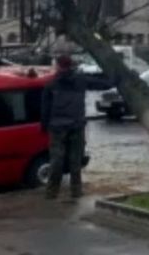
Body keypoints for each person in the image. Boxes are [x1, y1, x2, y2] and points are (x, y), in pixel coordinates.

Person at [41, 54, 112, 200]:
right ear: (71, 65)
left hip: (58, 128)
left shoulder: (51, 83)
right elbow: (101, 84)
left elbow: (45, 108)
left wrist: (44, 126)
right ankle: (76, 191)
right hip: (76, 125)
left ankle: (52, 192)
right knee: (75, 160)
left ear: (59, 66)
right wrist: (116, 79)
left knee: (56, 160)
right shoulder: (80, 80)